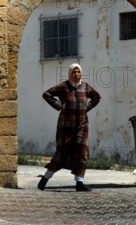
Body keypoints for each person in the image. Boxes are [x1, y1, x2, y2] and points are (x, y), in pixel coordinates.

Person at [38, 63, 101, 192]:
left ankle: (79, 183)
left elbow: (96, 97)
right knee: (62, 154)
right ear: (70, 73)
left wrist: (86, 108)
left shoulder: (85, 87)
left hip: (82, 125)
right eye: (74, 72)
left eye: (78, 72)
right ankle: (45, 179)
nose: (76, 74)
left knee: (82, 152)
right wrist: (59, 106)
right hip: (66, 125)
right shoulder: (64, 86)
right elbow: (47, 94)